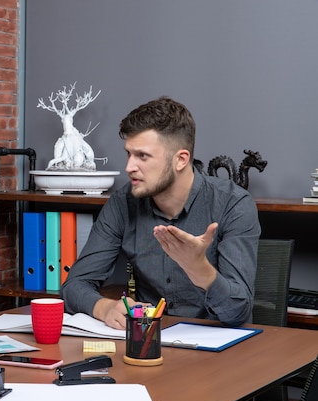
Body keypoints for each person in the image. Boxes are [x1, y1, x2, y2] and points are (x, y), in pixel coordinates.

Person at [61, 96, 261, 330]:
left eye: (142, 156)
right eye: (129, 153)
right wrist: (104, 308)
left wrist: (200, 269)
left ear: (180, 159)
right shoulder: (122, 203)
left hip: (222, 352)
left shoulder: (233, 204)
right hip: (151, 343)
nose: (129, 167)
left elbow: (238, 312)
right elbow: (74, 286)